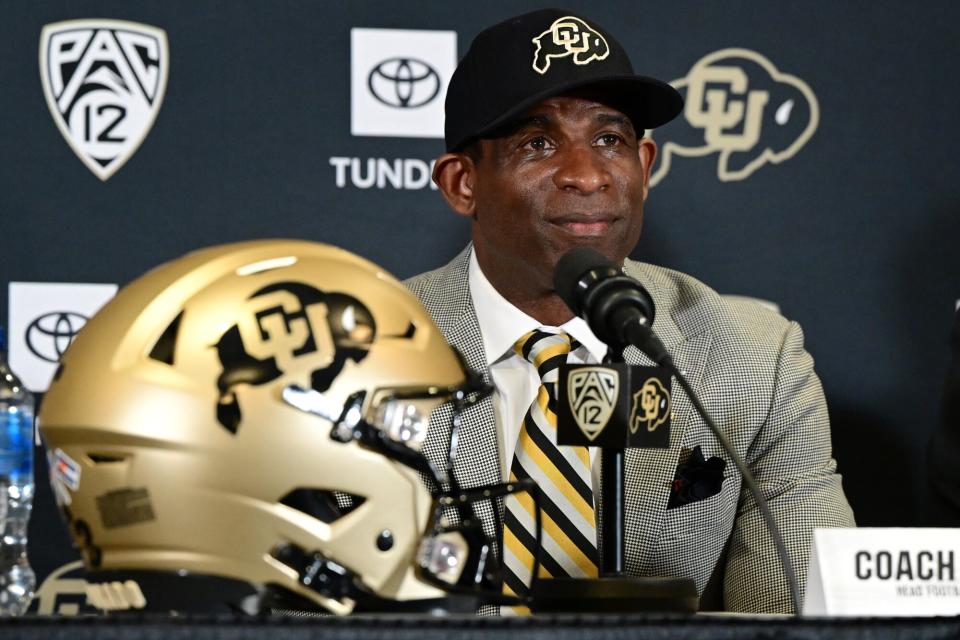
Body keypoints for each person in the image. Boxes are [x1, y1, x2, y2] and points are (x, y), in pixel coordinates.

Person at [404, 8, 854, 614]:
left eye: (610, 140)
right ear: (463, 183)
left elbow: (795, 617)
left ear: (644, 167)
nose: (587, 176)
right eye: (537, 143)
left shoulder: (755, 358)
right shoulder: (359, 350)